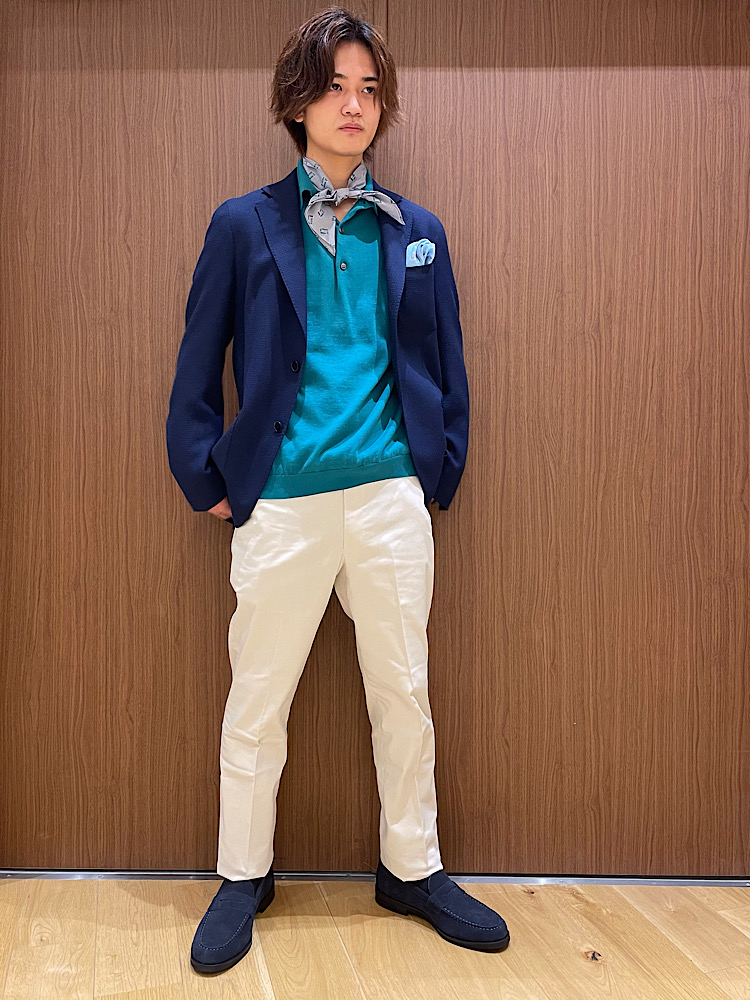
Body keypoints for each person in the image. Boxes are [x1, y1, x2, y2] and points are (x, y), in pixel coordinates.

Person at [166, 5, 510, 976]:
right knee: (258, 694)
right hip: (281, 500)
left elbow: (446, 360)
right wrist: (207, 475)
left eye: (368, 89)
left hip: (392, 497)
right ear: (297, 103)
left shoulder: (416, 231)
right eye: (333, 87)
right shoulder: (245, 225)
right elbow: (198, 365)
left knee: (403, 690)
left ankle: (412, 867)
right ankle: (243, 874)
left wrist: (439, 465)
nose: (353, 105)